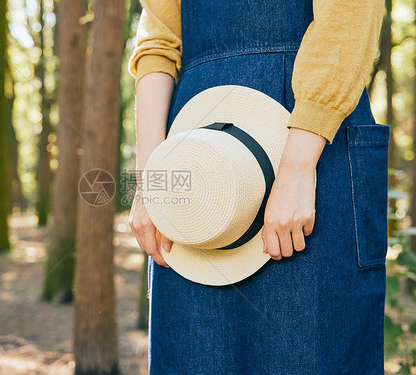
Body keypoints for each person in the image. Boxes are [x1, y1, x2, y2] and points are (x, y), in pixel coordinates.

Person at [127, 0, 388, 374]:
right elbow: (158, 42)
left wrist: (297, 166)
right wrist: (151, 179)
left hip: (310, 131)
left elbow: (348, 14)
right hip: (194, 151)